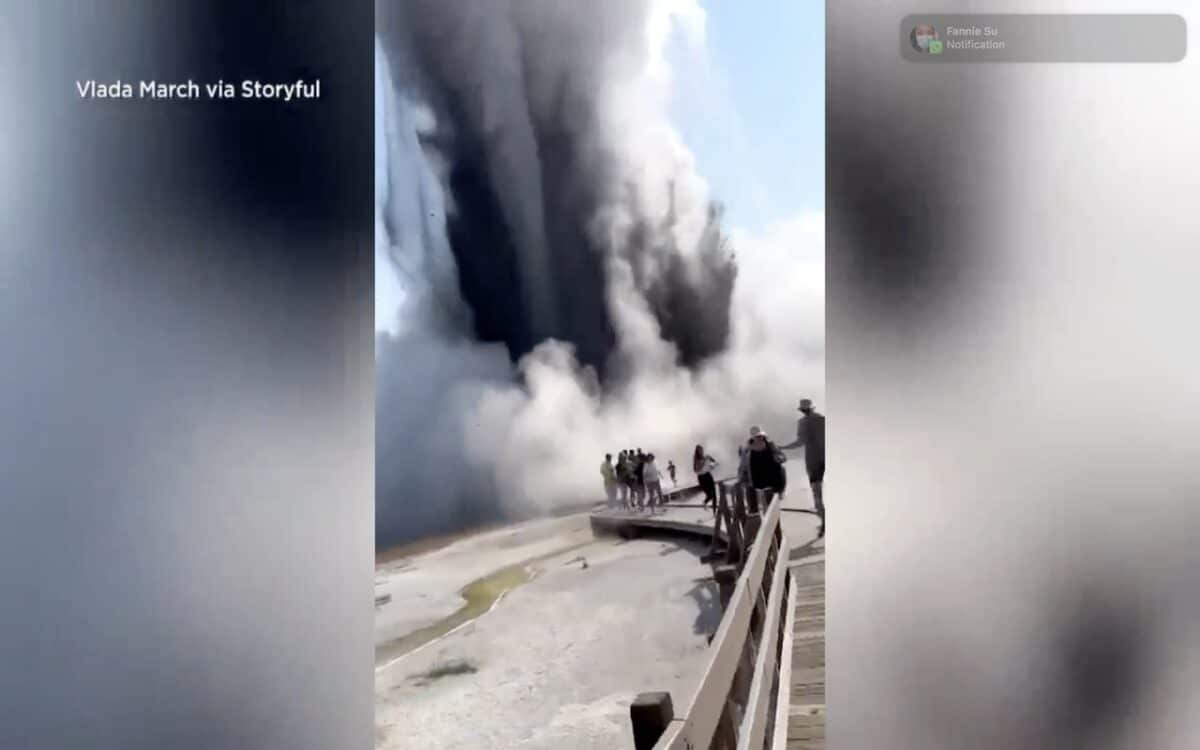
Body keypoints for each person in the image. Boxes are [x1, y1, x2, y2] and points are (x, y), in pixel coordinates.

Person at [782, 398, 826, 538]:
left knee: (817, 494)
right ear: (812, 408)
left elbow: (800, 442)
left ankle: (824, 523)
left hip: (814, 461)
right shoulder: (823, 419)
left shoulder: (802, 423)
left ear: (802, 410)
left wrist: (783, 447)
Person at [693, 444, 718, 514]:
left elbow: (714, 463)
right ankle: (704, 502)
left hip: (708, 475)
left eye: (702, 450)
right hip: (702, 478)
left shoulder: (705, 457)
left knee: (714, 494)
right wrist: (704, 461)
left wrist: (712, 465)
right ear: (697, 451)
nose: (702, 451)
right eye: (700, 450)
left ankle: (714, 512)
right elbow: (696, 470)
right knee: (709, 495)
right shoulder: (696, 459)